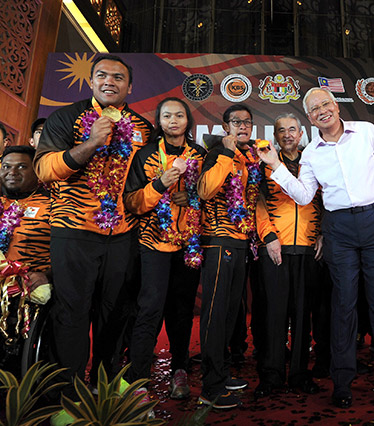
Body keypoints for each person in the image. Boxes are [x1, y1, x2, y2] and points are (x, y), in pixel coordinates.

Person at [257, 87, 374, 408]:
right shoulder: (312, 152)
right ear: (310, 118)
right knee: (343, 304)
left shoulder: (366, 132)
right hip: (338, 228)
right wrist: (275, 165)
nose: (322, 111)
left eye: (326, 103)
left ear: (336, 106)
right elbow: (302, 195)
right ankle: (342, 381)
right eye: (314, 109)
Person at [34, 55, 153, 399]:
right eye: (102, 75)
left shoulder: (142, 128)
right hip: (72, 231)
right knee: (71, 314)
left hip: (122, 234)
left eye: (118, 77)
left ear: (129, 87)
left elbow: (142, 181)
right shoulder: (66, 118)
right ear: (91, 81)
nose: (109, 82)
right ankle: (67, 397)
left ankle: (108, 386)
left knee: (115, 314)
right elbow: (44, 170)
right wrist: (90, 144)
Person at [123, 97, 206, 399]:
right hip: (152, 243)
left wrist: (192, 197)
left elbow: (211, 197)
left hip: (188, 244)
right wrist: (160, 185)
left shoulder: (199, 154)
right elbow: (131, 202)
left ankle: (179, 371)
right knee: (149, 309)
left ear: (188, 121)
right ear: (159, 121)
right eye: (167, 115)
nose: (173, 120)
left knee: (182, 310)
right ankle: (138, 381)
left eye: (179, 115)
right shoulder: (145, 155)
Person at [254, 113, 324, 398]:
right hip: (275, 248)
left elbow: (326, 200)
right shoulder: (263, 165)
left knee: (303, 315)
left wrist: (323, 233)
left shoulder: (314, 162)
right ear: (275, 134)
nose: (287, 134)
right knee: (274, 315)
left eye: (292, 129)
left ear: (300, 133)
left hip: (308, 249)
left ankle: (298, 374)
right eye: (281, 130)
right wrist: (268, 236)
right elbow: (255, 203)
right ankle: (270, 375)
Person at [197, 104, 256, 409]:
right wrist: (226, 154)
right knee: (215, 314)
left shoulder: (249, 159)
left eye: (247, 122)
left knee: (231, 315)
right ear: (225, 126)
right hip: (218, 241)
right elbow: (205, 190)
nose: (243, 126)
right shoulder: (217, 153)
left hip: (240, 242)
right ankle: (210, 386)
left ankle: (221, 372)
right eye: (237, 122)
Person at [0, 146, 52, 371]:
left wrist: (48, 275)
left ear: (37, 172)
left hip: (28, 287)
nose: (12, 172)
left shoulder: (53, 207)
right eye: (6, 167)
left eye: (22, 166)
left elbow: (68, 254)